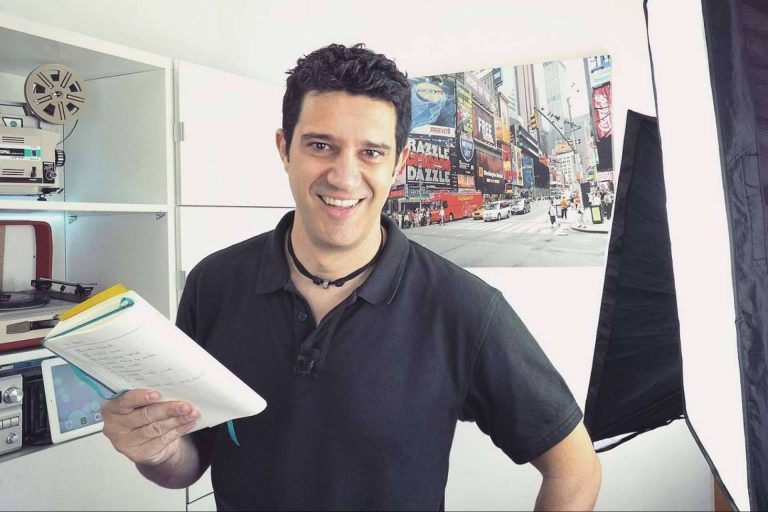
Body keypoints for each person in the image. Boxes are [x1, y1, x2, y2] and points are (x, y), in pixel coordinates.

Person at [101, 44, 600, 511]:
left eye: (371, 152)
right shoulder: (213, 284)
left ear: (399, 163)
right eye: (321, 145)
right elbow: (190, 462)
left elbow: (575, 470)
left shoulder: (464, 308)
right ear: (284, 149)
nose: (343, 176)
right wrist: (156, 451)